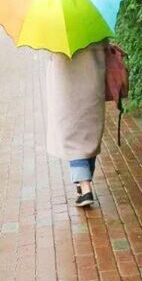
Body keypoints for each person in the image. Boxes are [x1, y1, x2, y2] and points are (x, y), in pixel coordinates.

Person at [45, 40, 107, 207]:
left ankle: (85, 186)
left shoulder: (56, 23)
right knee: (89, 132)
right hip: (92, 77)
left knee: (72, 135)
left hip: (64, 81)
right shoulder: (94, 19)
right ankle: (83, 182)